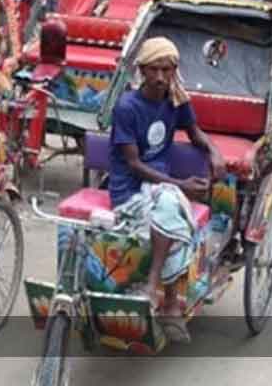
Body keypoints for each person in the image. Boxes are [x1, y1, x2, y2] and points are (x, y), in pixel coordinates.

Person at [109, 37, 225, 343]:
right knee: (173, 204)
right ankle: (163, 295)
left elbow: (195, 133)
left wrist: (214, 151)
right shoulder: (127, 107)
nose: (160, 77)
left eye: (167, 70)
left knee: (170, 203)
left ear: (174, 71)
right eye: (154, 70)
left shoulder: (176, 100)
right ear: (142, 71)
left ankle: (165, 299)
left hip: (159, 189)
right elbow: (133, 164)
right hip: (129, 192)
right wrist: (180, 185)